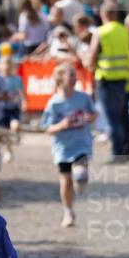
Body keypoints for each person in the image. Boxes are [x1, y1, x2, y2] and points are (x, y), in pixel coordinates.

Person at [41, 63, 96, 228]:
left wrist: (89, 117)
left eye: (74, 75)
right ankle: (68, 212)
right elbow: (47, 128)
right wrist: (61, 125)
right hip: (63, 148)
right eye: (70, 75)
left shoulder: (83, 97)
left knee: (80, 175)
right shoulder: (53, 103)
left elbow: (94, 114)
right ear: (59, 79)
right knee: (65, 182)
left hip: (81, 143)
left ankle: (81, 181)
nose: (74, 78)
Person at [87, 3, 129, 161]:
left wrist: (87, 61)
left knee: (113, 118)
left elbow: (91, 58)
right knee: (122, 116)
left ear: (104, 14)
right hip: (124, 78)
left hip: (106, 79)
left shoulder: (100, 32)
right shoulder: (124, 31)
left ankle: (119, 152)